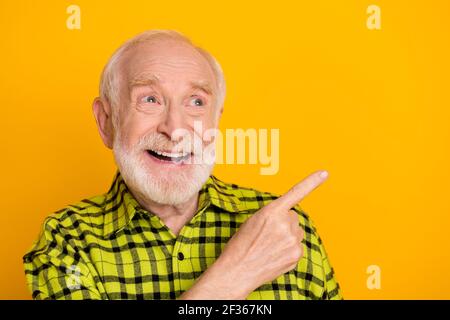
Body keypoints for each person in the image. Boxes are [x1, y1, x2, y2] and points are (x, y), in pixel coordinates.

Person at [23, 30, 342, 300]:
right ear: (106, 121)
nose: (175, 129)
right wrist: (236, 274)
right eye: (150, 99)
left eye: (196, 102)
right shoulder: (66, 241)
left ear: (215, 122)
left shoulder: (286, 230)